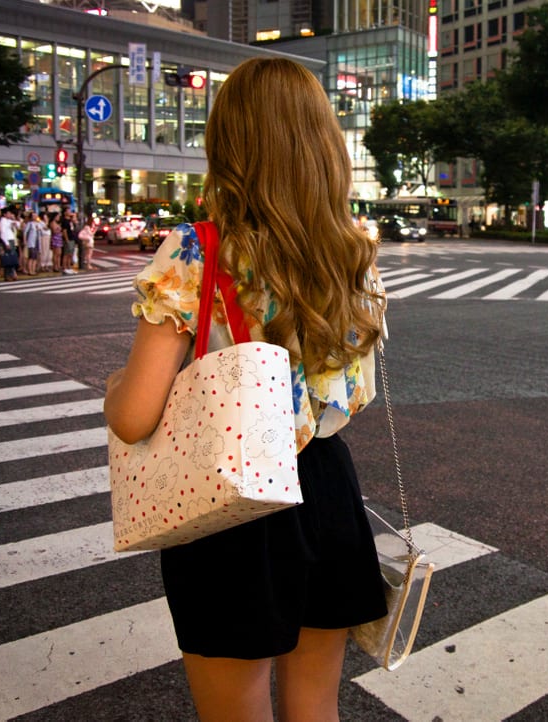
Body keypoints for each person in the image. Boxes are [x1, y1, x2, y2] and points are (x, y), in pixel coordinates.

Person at [103, 57, 387, 722]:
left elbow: (136, 416)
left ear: (228, 145)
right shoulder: (352, 252)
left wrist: (116, 386)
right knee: (316, 706)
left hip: (231, 503)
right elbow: (353, 396)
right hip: (327, 489)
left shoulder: (197, 251)